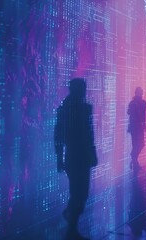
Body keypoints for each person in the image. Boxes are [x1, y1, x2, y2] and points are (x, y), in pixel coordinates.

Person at [54, 78, 97, 240]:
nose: (84, 91)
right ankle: (71, 227)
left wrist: (60, 157)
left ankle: (71, 221)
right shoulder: (71, 109)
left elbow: (88, 134)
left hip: (77, 155)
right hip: (76, 155)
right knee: (79, 192)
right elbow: (59, 134)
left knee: (80, 192)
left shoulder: (71, 109)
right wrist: (59, 157)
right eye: (82, 88)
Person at [127, 87, 146, 170]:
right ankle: (135, 161)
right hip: (135, 126)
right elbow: (130, 113)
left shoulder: (139, 102)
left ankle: (133, 157)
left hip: (136, 126)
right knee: (137, 144)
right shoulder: (135, 103)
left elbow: (142, 114)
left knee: (140, 144)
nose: (140, 94)